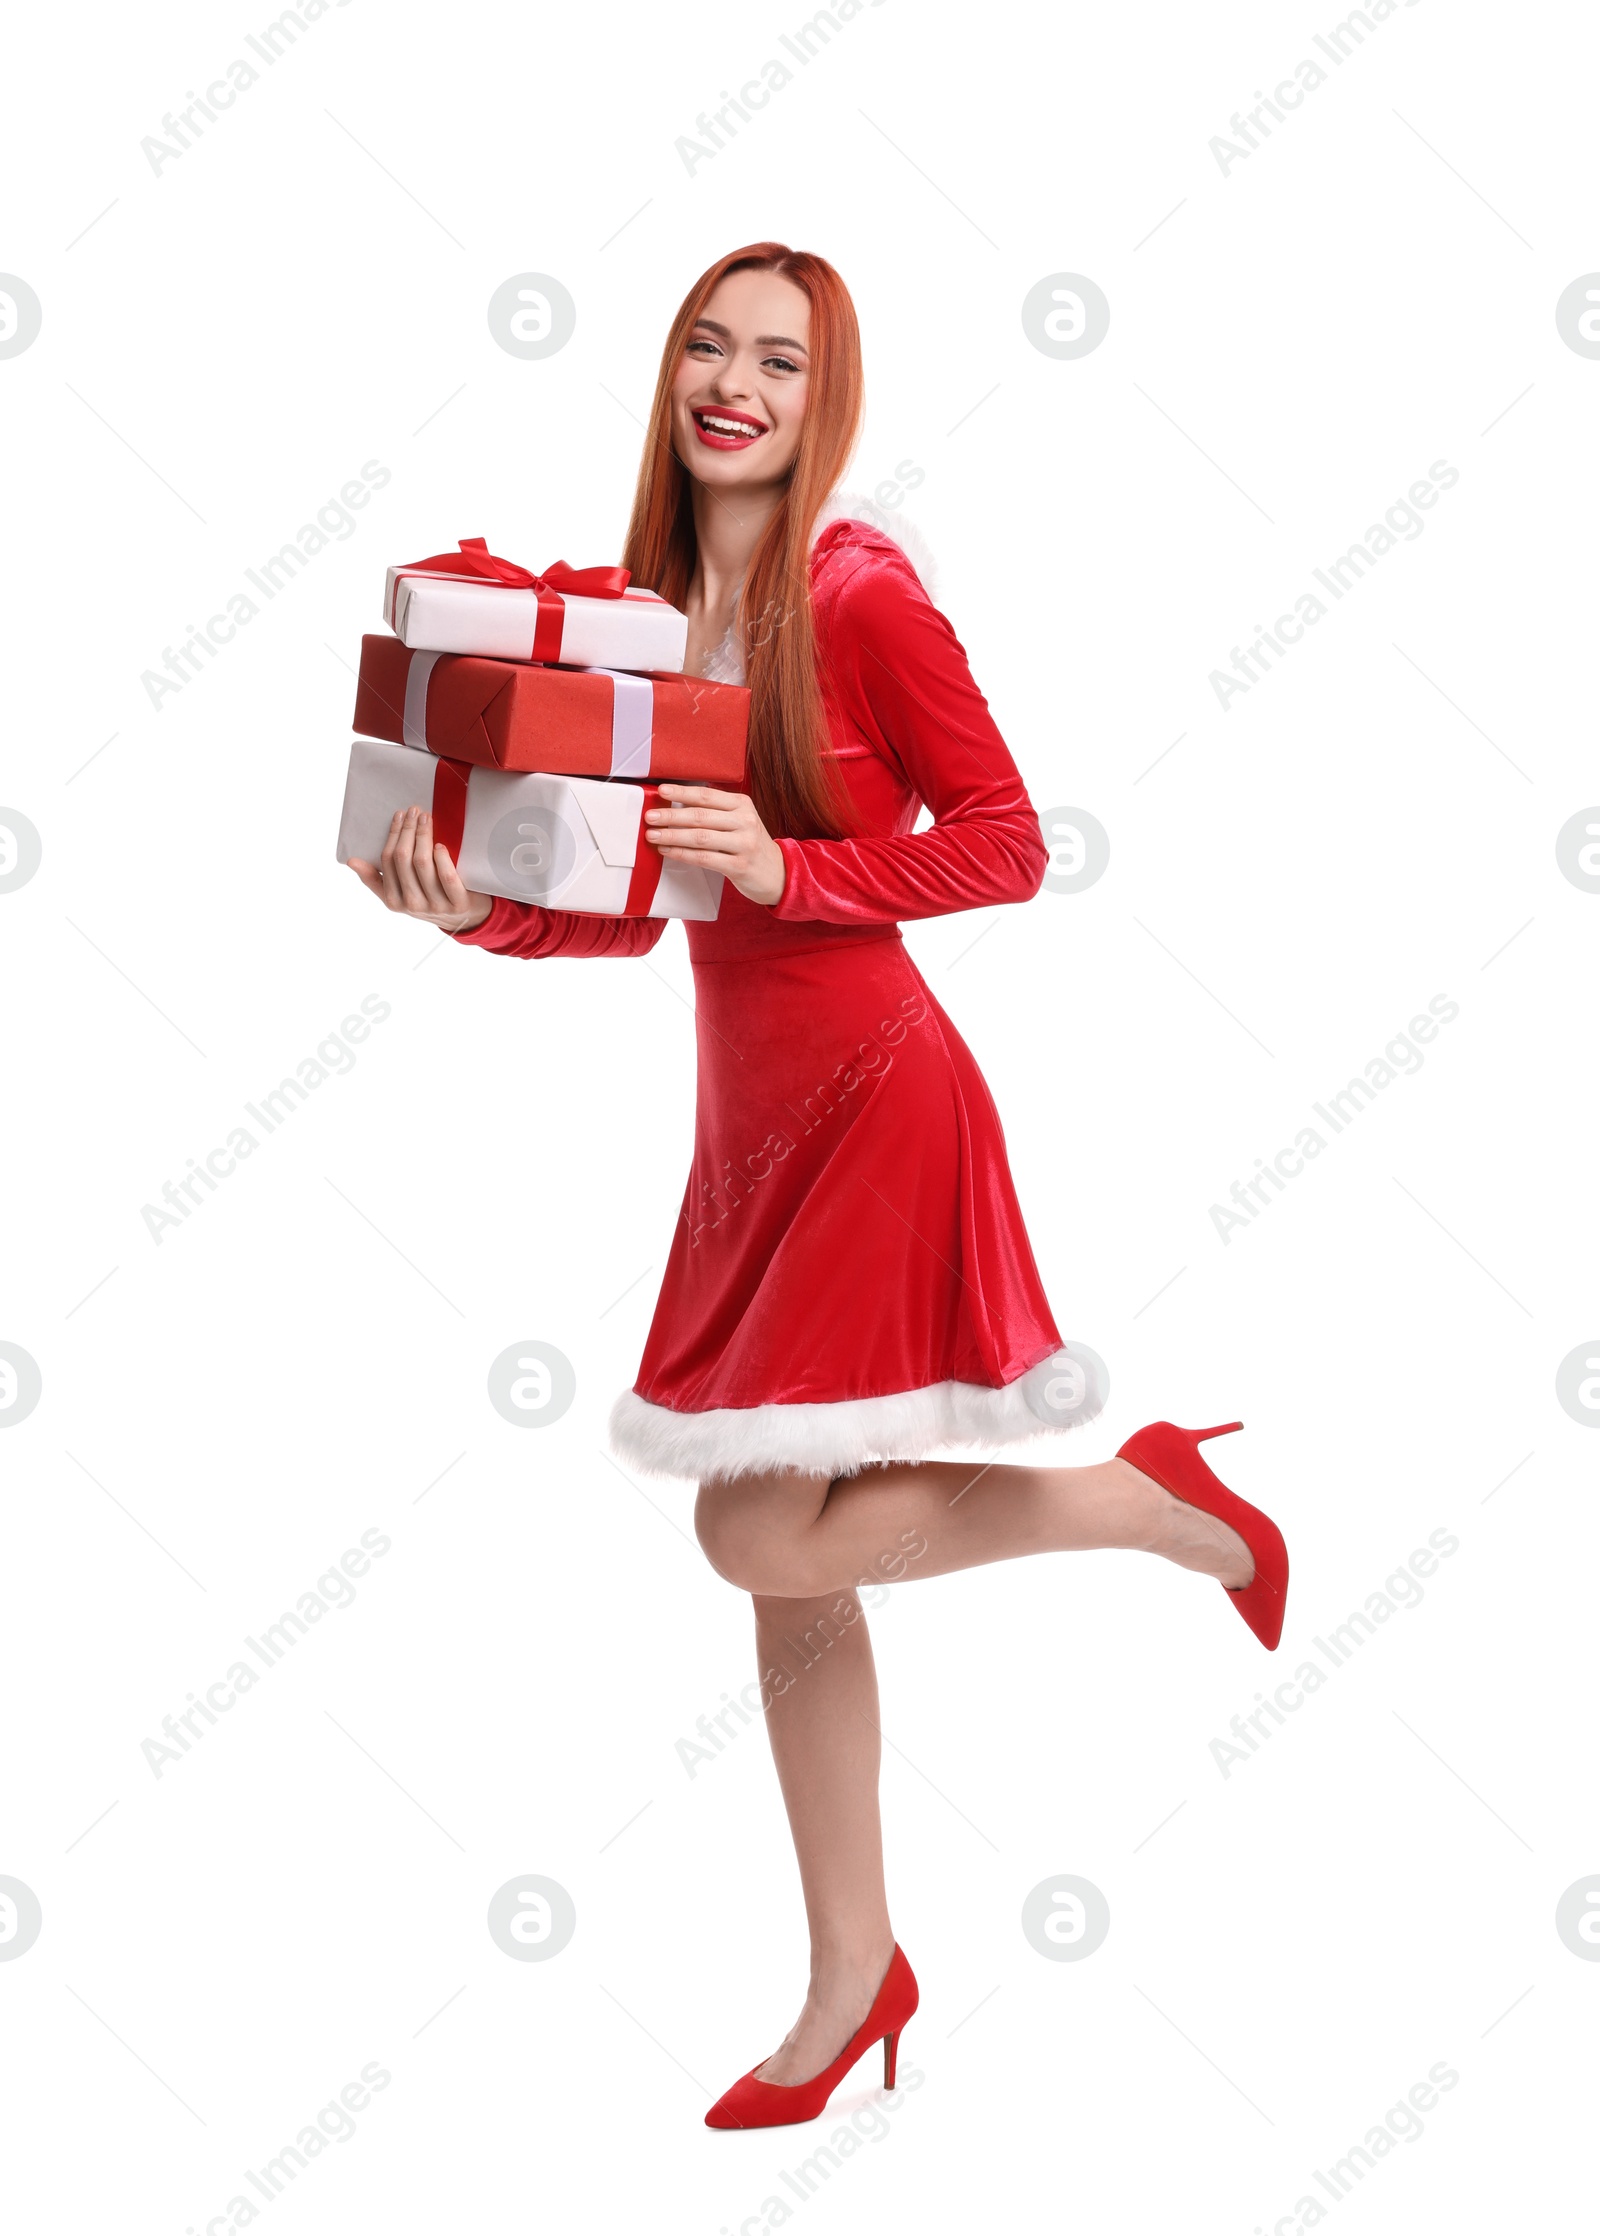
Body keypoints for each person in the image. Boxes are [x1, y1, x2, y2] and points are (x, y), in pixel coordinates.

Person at [348, 241, 1289, 2131]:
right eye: (710, 343)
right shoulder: (631, 611)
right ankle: (854, 1971)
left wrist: (793, 868)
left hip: (877, 1090)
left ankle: (1149, 1502)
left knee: (754, 1539)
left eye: (782, 359)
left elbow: (1015, 841)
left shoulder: (856, 593)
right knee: (783, 1576)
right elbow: (627, 914)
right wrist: (456, 908)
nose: (737, 384)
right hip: (742, 1122)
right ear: (670, 371)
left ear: (824, 394)